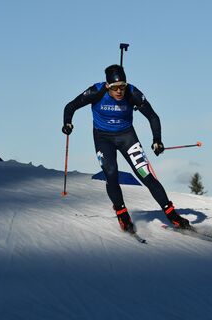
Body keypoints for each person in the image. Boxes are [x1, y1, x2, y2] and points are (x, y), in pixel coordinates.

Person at [62, 64, 190, 233]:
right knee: (111, 173)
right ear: (108, 86)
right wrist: (67, 123)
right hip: (103, 138)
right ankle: (122, 212)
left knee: (145, 174)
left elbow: (153, 116)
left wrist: (157, 140)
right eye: (115, 88)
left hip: (126, 137)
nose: (120, 91)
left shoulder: (132, 93)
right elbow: (70, 106)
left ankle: (171, 213)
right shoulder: (96, 91)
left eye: (122, 86)